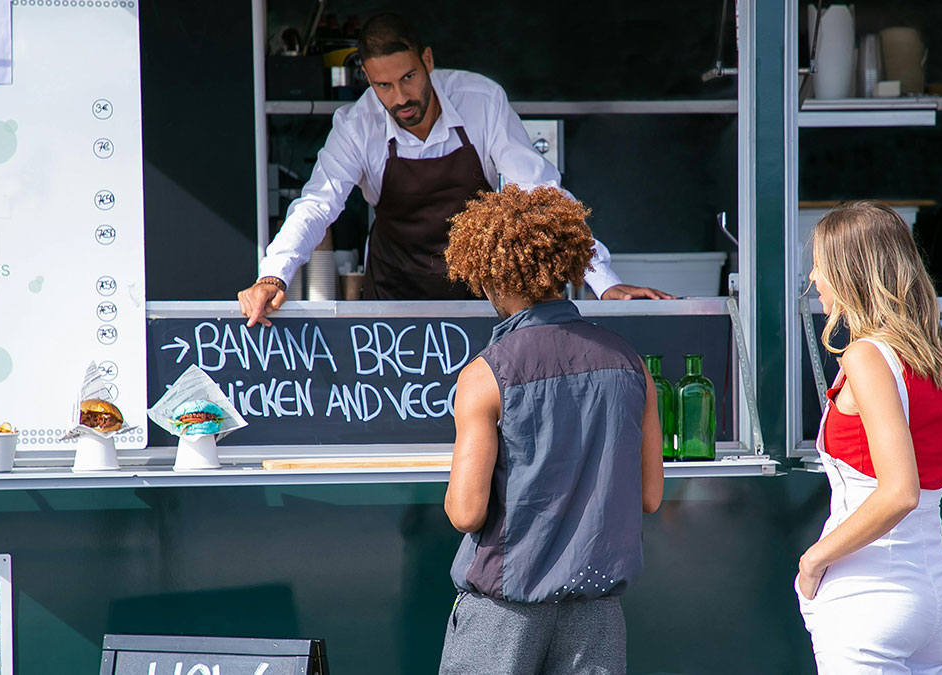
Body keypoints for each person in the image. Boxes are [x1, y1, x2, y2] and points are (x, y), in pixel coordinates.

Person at [238, 12, 670, 327]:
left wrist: (604, 281)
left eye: (408, 78)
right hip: (391, 301)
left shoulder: (481, 101)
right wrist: (273, 274)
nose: (399, 97)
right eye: (383, 85)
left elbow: (542, 194)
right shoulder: (356, 125)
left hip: (480, 299)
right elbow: (316, 204)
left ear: (427, 60)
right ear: (367, 79)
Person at [796, 200, 942, 673]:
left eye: (820, 266)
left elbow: (899, 492)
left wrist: (813, 560)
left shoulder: (865, 356)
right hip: (937, 596)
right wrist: (934, 546)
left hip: (866, 595)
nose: (813, 279)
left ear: (850, 273)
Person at [438, 185, 664, 674]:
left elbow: (466, 512)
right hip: (597, 614)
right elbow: (649, 496)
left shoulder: (485, 374)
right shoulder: (631, 363)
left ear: (487, 274)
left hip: (504, 614)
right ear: (566, 266)